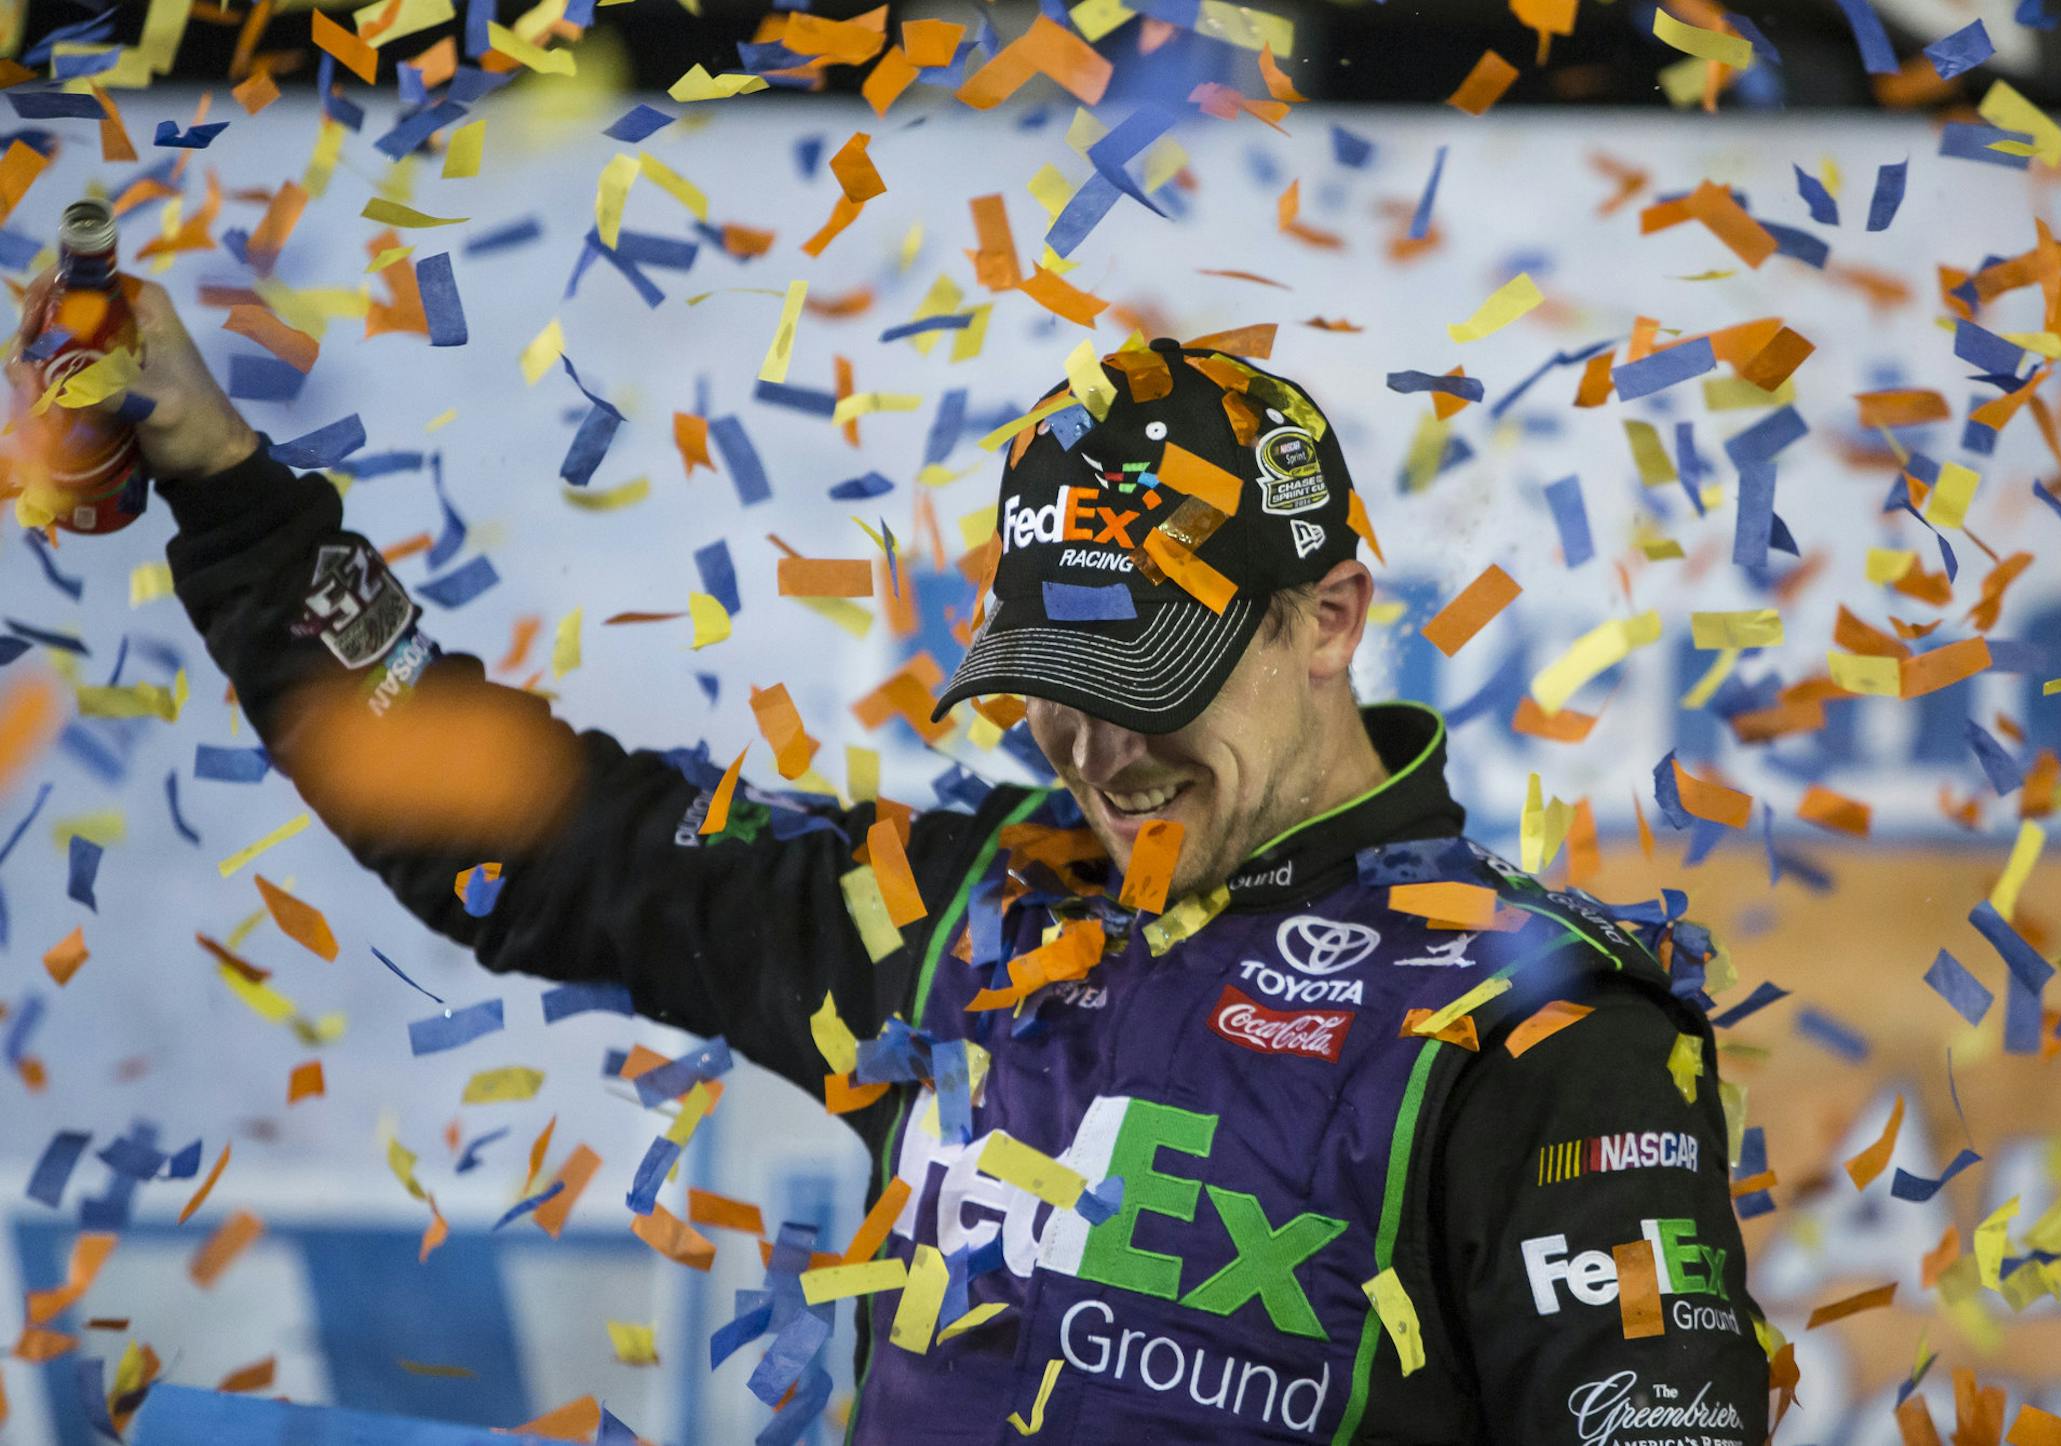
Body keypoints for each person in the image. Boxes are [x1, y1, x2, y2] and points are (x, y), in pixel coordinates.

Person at [13, 269, 1772, 1443]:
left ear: (1331, 617)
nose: (1102, 753)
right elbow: (517, 839)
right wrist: (232, 488)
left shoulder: (1544, 1031)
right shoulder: (959, 913)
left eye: (1148, 682)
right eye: (1056, 695)